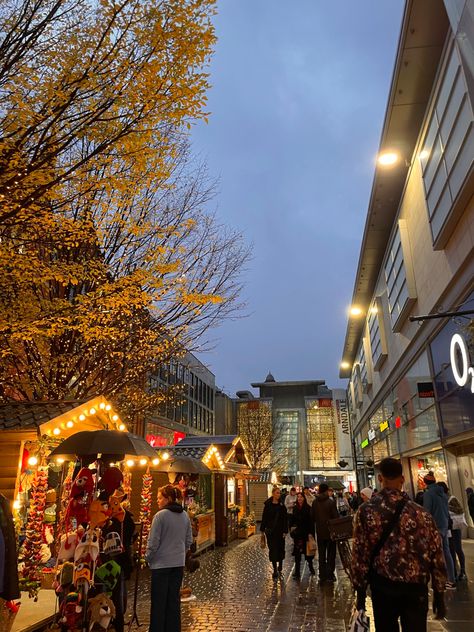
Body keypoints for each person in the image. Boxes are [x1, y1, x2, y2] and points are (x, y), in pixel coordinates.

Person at [351, 458, 447, 632]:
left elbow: (360, 553)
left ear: (380, 479)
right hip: (416, 587)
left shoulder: (366, 511)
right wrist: (439, 592)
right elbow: (436, 552)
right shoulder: (421, 513)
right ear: (402, 479)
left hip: (383, 586)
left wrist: (360, 590)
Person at [146, 485, 193, 632]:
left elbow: (153, 542)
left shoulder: (160, 516)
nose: (157, 501)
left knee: (159, 603)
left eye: (160, 498)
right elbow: (189, 540)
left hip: (161, 565)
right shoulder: (184, 515)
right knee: (173, 601)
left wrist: (148, 558)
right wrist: (180, 554)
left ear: (168, 499)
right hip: (177, 565)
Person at [423, 472, 456, 589]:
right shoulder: (442, 493)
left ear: (425, 482)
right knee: (446, 552)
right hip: (444, 526)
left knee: (435, 555)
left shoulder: (428, 494)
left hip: (434, 527)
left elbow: (426, 512)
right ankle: (451, 579)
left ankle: (439, 580)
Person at [437, 482, 467, 581]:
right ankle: (453, 571)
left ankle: (462, 571)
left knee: (458, 548)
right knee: (450, 550)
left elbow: (460, 510)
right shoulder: (439, 500)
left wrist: (446, 508)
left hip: (454, 527)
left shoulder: (451, 498)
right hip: (447, 528)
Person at [310, 482, 339, 582]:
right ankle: (330, 575)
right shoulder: (331, 502)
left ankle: (322, 575)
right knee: (331, 555)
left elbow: (312, 517)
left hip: (320, 532)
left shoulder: (315, 502)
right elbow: (336, 517)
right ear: (326, 490)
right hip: (331, 532)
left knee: (322, 555)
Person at [260, 486, 288, 579]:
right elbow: (264, 518)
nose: (278, 494)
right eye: (277, 493)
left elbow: (285, 519)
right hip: (271, 531)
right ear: (273, 493)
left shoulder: (281, 505)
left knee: (280, 548)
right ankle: (275, 569)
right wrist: (262, 530)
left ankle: (280, 564)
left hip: (280, 531)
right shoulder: (268, 505)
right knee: (272, 549)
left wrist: (285, 531)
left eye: (279, 493)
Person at [289, 492, 315, 579]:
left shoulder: (308, 508)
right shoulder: (295, 508)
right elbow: (292, 520)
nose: (299, 498)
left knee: (308, 553)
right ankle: (297, 572)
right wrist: (291, 528)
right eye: (298, 497)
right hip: (298, 534)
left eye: (301, 497)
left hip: (306, 534)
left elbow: (311, 522)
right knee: (297, 554)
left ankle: (311, 568)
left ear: (304, 498)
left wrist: (311, 534)